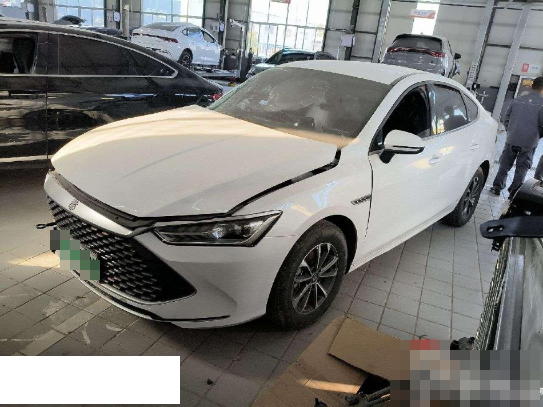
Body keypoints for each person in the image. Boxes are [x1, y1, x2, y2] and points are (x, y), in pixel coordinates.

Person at [490, 76, 543, 197]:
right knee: (522, 168)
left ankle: (497, 187)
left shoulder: (518, 100)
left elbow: (506, 118)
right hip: (529, 142)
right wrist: (537, 136)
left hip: (512, 138)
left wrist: (511, 130)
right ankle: (513, 192)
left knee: (504, 165)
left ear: (532, 86)